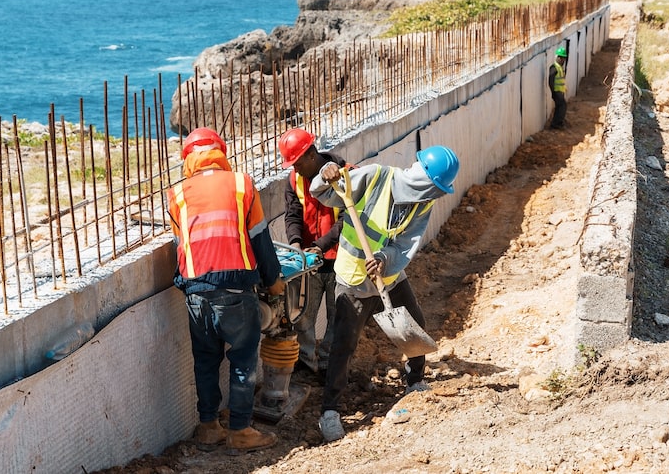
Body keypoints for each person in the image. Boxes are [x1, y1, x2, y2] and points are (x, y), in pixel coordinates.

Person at [308, 145, 460, 442]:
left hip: (388, 275)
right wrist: (325, 174)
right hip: (353, 278)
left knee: (414, 325)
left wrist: (384, 259)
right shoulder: (376, 177)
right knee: (344, 345)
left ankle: (414, 382)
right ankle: (330, 411)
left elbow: (406, 243)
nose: (434, 195)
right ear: (423, 180)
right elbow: (324, 192)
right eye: (434, 188)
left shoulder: (423, 203)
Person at [167, 127, 286, 453]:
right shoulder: (241, 184)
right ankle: (240, 430)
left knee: (205, 360)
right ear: (221, 153)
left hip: (195, 291)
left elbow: (182, 246)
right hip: (234, 289)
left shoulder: (177, 194)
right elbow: (259, 238)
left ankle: (208, 427)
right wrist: (273, 280)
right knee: (243, 359)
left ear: (188, 159)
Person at [279, 128, 348, 380]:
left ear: (311, 155)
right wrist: (295, 244)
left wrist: (322, 244)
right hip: (310, 262)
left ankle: (330, 367)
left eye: (297, 163)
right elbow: (292, 215)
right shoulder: (294, 180)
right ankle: (306, 365)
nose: (295, 169)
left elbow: (348, 220)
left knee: (337, 316)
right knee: (303, 316)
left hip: (341, 259)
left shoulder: (345, 175)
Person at [548, 45, 568, 129]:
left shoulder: (559, 67)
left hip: (560, 92)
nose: (563, 60)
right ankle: (556, 123)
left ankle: (557, 123)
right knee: (562, 106)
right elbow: (551, 81)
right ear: (558, 58)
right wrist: (553, 92)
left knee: (560, 107)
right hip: (557, 92)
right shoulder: (554, 67)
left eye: (564, 58)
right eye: (562, 58)